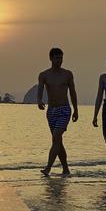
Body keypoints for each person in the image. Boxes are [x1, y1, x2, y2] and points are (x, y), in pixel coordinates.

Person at [36, 47, 78, 176]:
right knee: (57, 141)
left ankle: (48, 168)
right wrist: (39, 100)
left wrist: (76, 110)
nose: (59, 60)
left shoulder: (67, 74)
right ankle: (65, 169)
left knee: (56, 137)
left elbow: (72, 92)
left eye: (61, 58)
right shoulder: (44, 75)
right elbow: (40, 89)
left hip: (64, 109)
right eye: (56, 58)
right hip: (51, 111)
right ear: (51, 58)